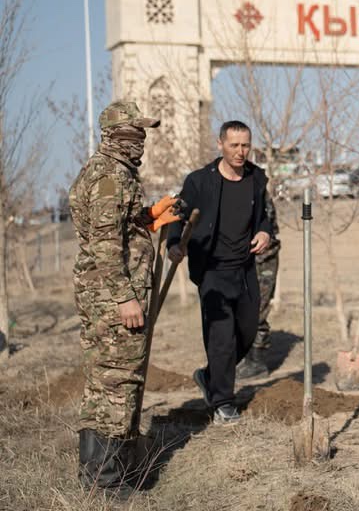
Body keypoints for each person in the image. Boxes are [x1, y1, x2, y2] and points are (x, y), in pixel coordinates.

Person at [69, 101, 182, 496]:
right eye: (135, 132)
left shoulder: (115, 172)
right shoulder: (109, 176)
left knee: (106, 381)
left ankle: (106, 474)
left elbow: (118, 226)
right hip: (113, 297)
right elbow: (104, 244)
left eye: (143, 132)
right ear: (116, 135)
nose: (141, 140)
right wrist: (124, 298)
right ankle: (106, 482)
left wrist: (148, 217)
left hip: (109, 294)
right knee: (116, 382)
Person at [167, 120, 273, 425]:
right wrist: (174, 244)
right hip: (212, 270)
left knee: (248, 332)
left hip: (244, 268)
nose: (241, 151)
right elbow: (177, 215)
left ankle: (210, 375)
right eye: (234, 145)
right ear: (220, 144)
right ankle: (223, 402)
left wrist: (264, 232)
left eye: (245, 145)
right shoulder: (199, 181)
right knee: (221, 336)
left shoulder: (256, 178)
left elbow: (263, 217)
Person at [236, 190, 281, 379]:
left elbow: (264, 225)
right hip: (240, 259)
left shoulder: (256, 191)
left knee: (257, 311)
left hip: (262, 259)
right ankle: (242, 358)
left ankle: (256, 362)